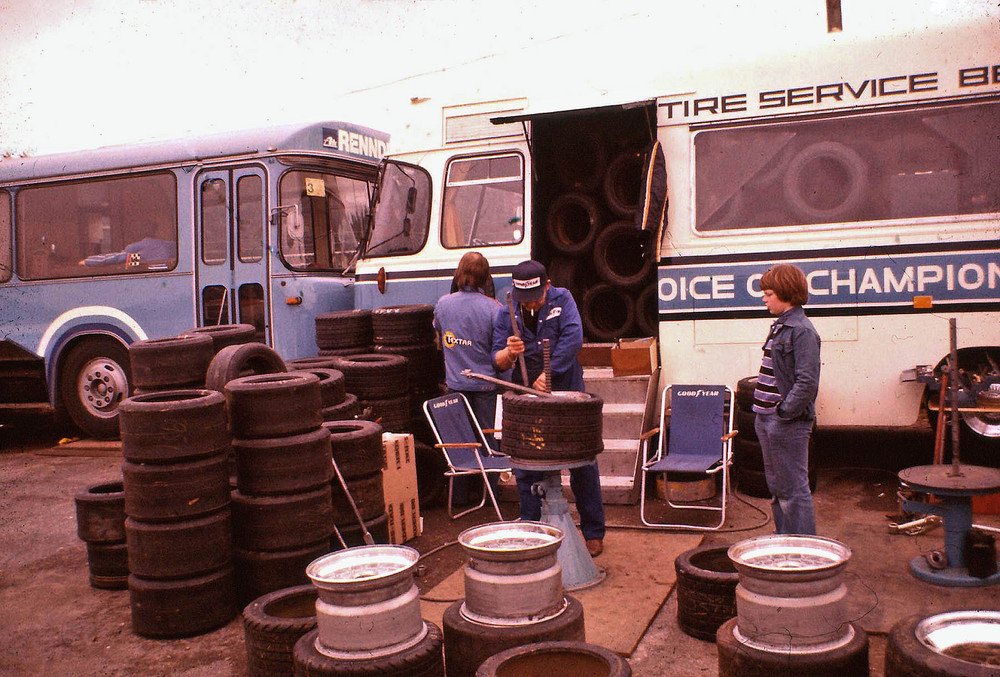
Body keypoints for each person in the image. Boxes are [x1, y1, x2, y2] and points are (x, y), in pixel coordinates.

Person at [492, 259, 606, 557]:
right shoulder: (508, 309)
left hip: (566, 392)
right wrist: (508, 353)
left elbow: (573, 338)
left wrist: (549, 373)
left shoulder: (562, 299)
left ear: (547, 286)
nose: (530, 306)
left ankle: (593, 532)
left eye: (536, 299)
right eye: (524, 302)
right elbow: (497, 359)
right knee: (526, 462)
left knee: (583, 461)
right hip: (525, 398)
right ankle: (531, 530)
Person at [752, 263, 821, 535]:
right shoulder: (780, 326)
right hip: (766, 418)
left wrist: (783, 413)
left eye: (768, 293)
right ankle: (784, 541)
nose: (764, 298)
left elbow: (807, 383)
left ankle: (804, 550)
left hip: (785, 423)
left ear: (787, 293)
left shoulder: (802, 331)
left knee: (793, 491)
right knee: (778, 489)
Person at [433, 252, 503, 504]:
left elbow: (439, 335)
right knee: (489, 440)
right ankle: (491, 495)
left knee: (459, 441)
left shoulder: (442, 304)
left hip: (454, 387)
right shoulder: (495, 309)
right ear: (486, 278)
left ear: (459, 273)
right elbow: (500, 353)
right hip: (486, 387)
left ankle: (459, 498)